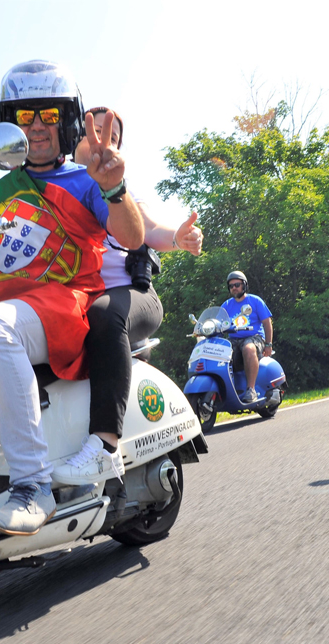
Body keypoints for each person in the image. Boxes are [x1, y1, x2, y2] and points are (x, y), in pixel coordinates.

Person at [0, 60, 144, 536]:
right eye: (25, 117)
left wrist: (115, 187)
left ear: (67, 122)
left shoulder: (88, 181)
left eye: (47, 115)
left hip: (57, 306)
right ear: (10, 124)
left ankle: (32, 486)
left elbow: (131, 233)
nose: (37, 127)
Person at [49, 107, 203, 484]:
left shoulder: (121, 191)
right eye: (94, 130)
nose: (102, 140)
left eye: (112, 136)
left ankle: (104, 447)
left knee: (103, 313)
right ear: (74, 136)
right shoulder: (51, 190)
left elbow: (150, 229)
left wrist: (178, 239)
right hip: (75, 302)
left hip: (130, 296)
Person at [220, 270, 273, 403]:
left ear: (244, 285)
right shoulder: (226, 305)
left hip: (254, 337)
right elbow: (218, 323)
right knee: (217, 352)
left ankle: (251, 390)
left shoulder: (255, 301)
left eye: (237, 284)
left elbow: (267, 323)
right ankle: (224, 390)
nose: (234, 288)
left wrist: (268, 344)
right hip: (233, 339)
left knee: (249, 348)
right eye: (231, 286)